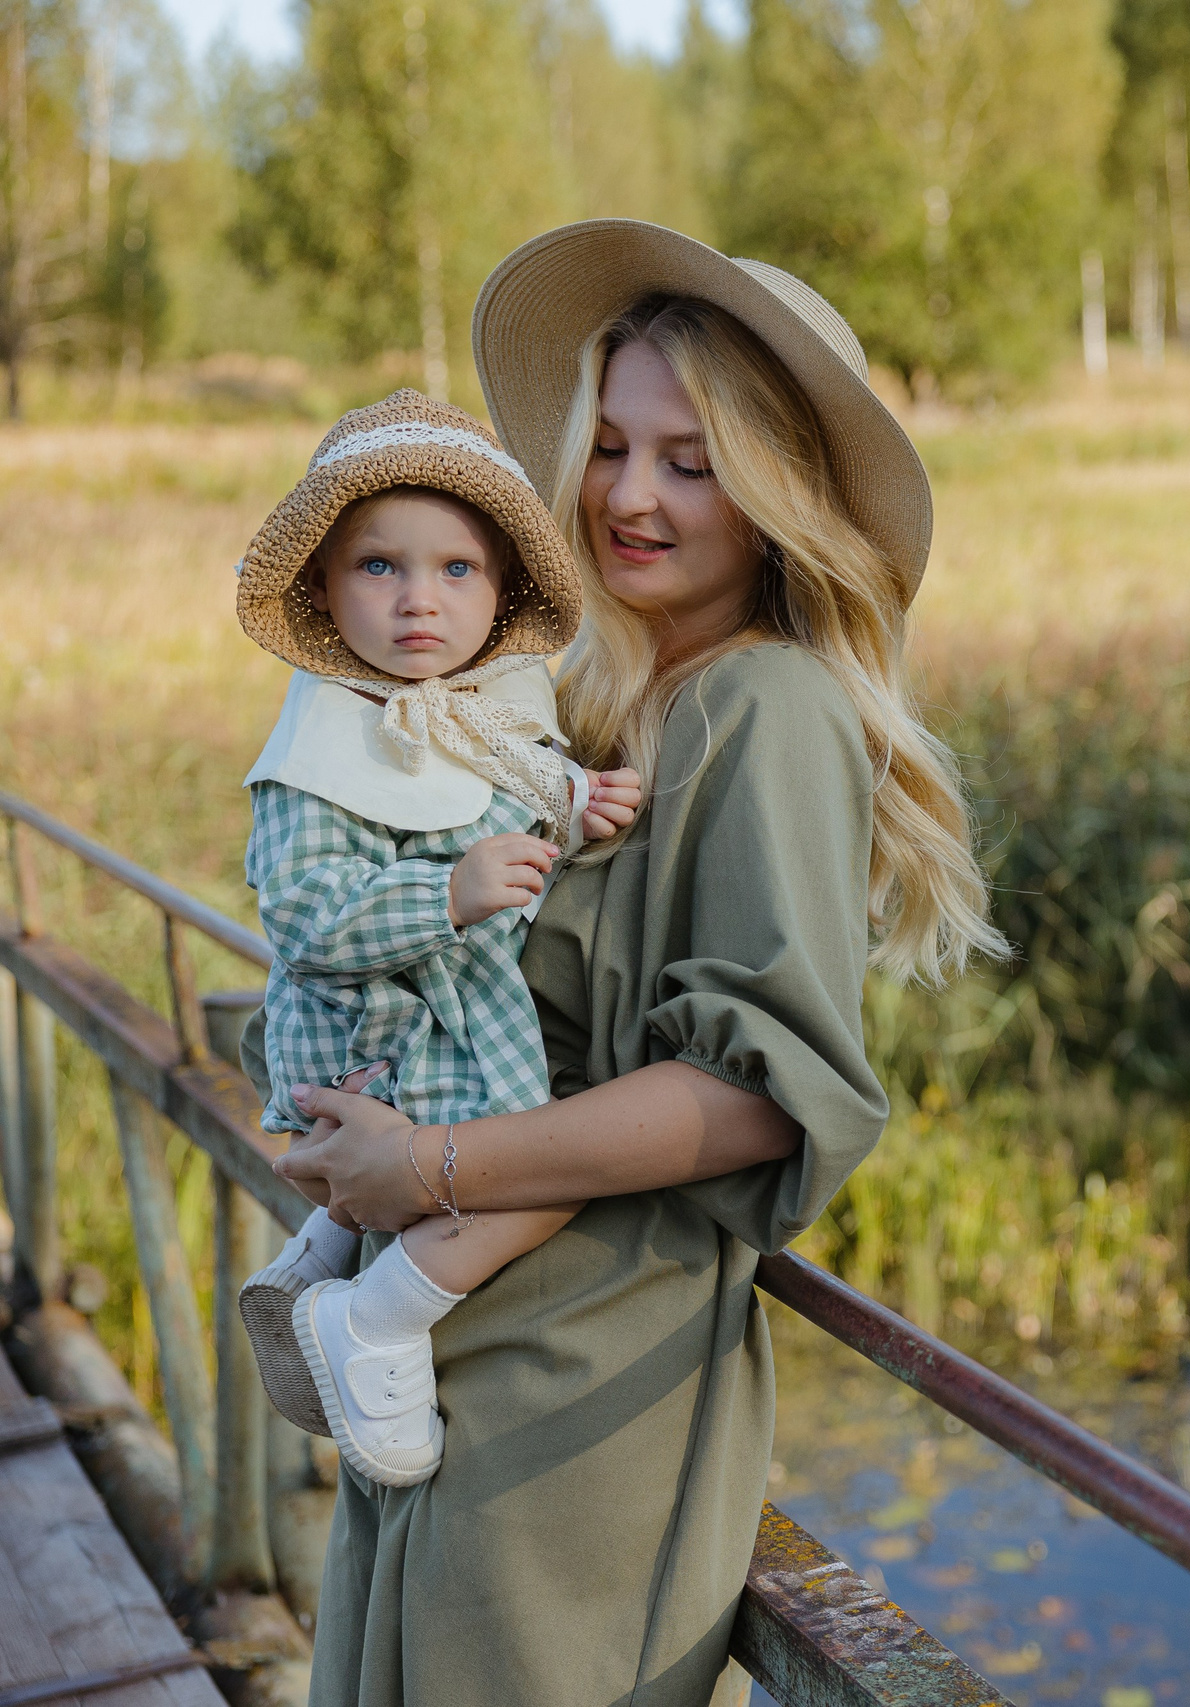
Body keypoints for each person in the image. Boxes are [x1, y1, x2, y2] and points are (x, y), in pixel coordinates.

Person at [268, 220, 1003, 1707]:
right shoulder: (589, 708)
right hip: (446, 1354)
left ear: (778, 489)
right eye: (609, 444)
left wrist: (436, 1167)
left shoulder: (770, 708)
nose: (629, 493)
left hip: (583, 1395)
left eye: (691, 457)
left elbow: (760, 1096)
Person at [228, 390, 644, 1487]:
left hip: (452, 1026)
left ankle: (317, 1254)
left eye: (456, 570)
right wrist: (446, 893)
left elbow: (509, 778)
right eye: (380, 567)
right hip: (391, 1038)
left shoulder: (479, 702)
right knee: (558, 1170)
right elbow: (305, 914)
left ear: (500, 588)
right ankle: (377, 1316)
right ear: (322, 583)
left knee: (542, 1151)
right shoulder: (322, 733)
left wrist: (577, 800)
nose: (420, 601)